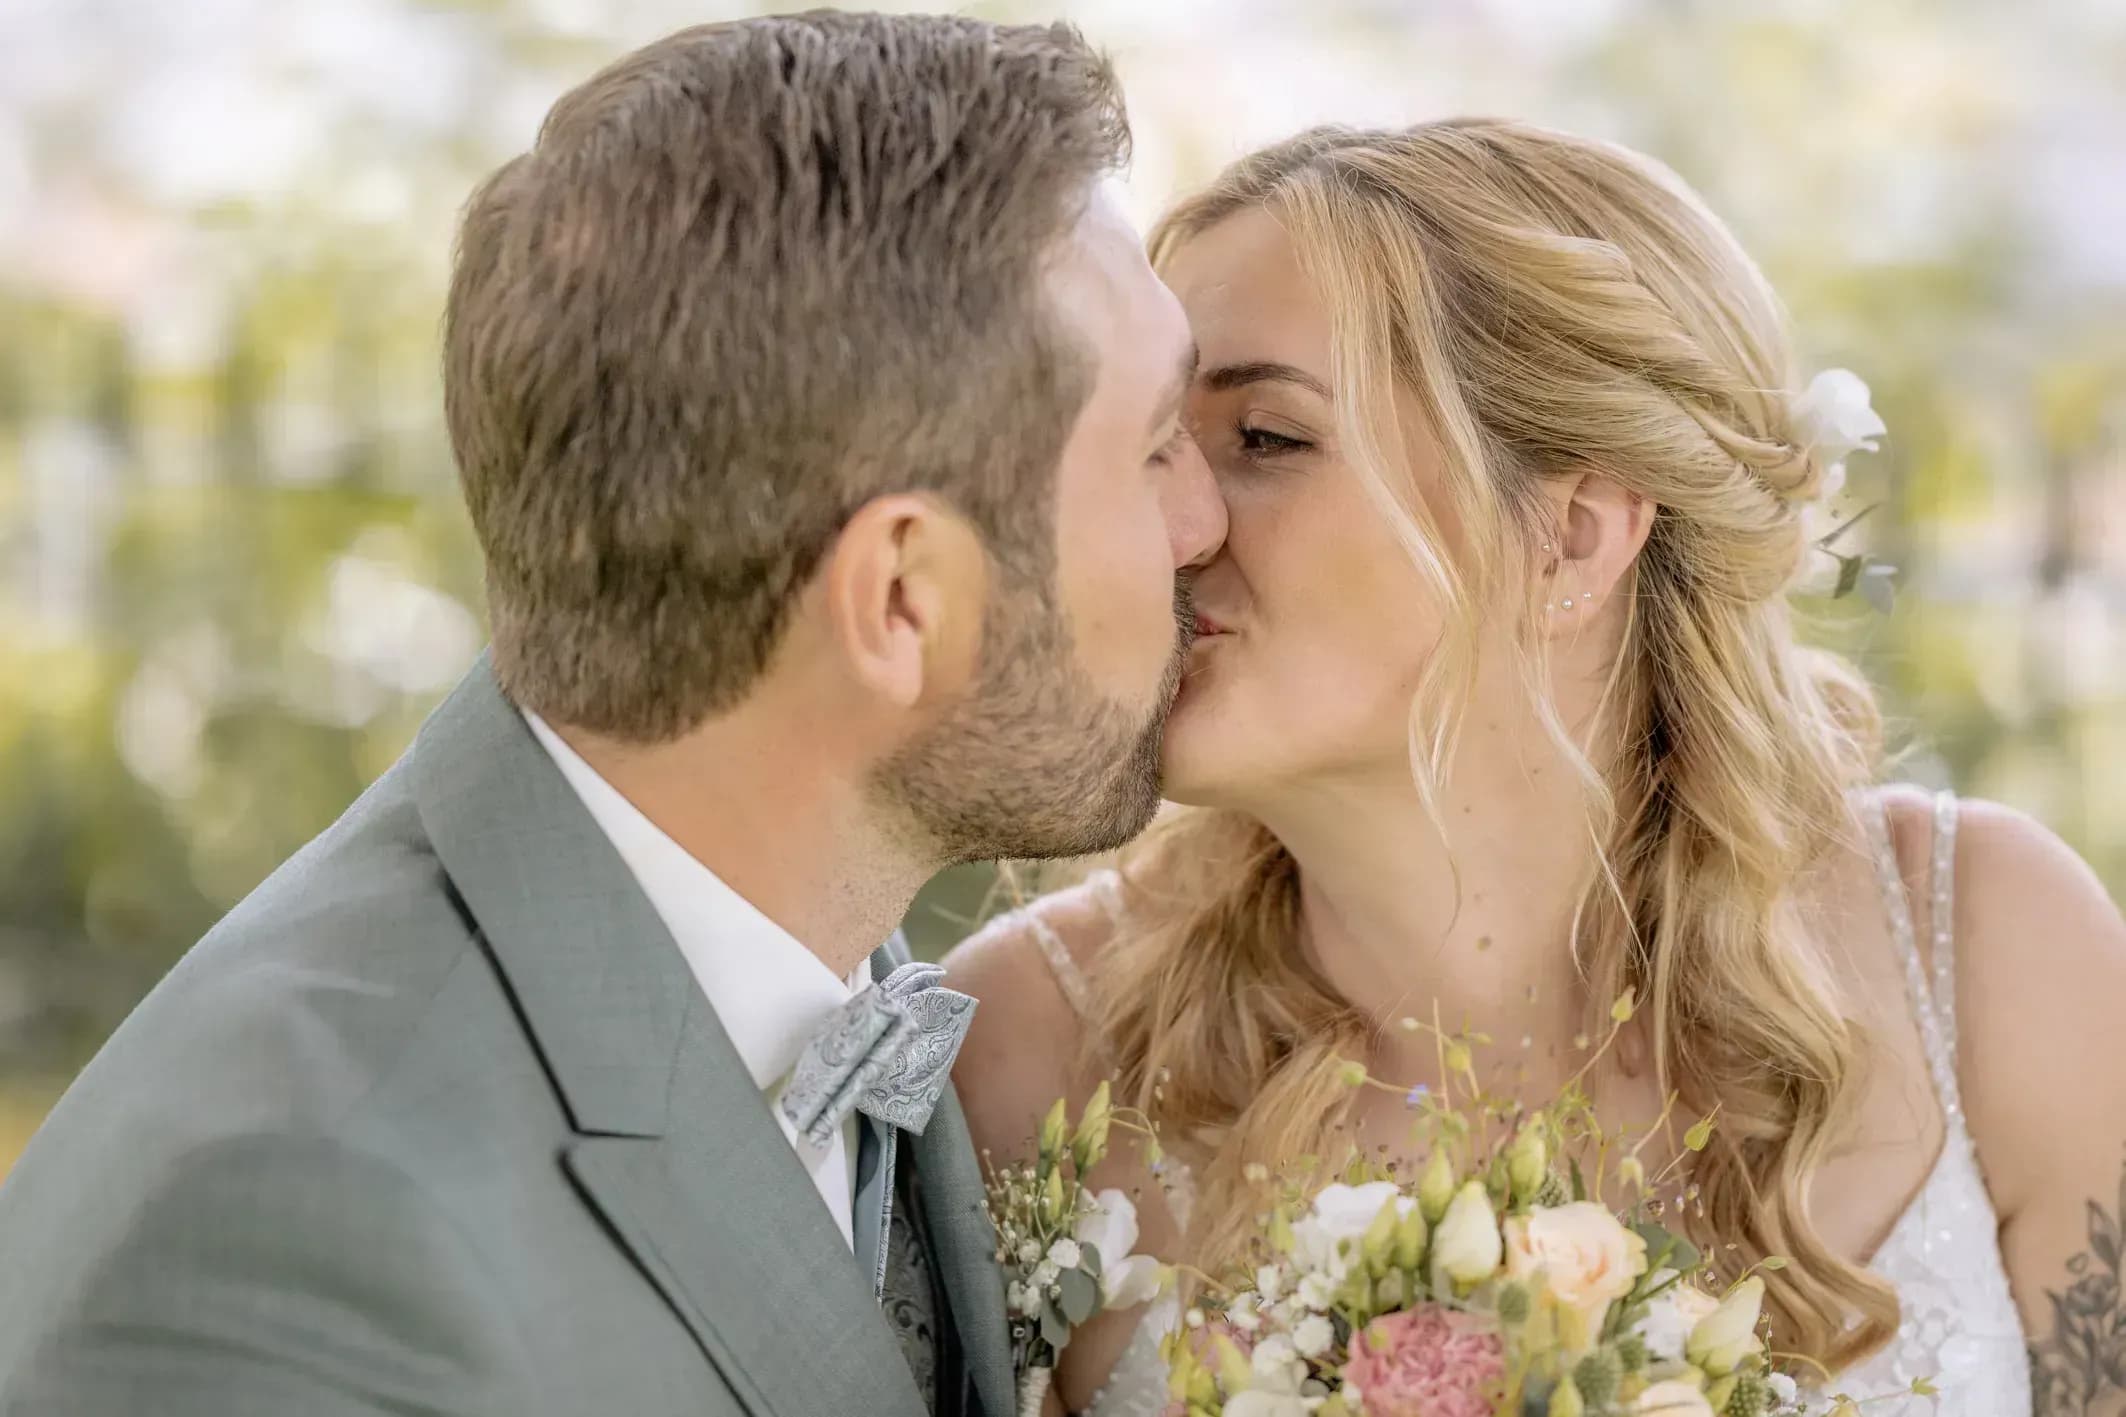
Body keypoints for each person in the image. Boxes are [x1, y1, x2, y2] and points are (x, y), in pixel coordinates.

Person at [0, 14, 1224, 1416]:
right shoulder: (291, 1266)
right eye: (1151, 448)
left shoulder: (813, 951)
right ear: (898, 599)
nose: (1202, 521)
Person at [948, 118, 2126, 1417]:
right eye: (1152, 447)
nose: (1169, 527)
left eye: (1265, 439)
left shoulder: (1986, 954)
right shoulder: (1020, 1052)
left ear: (1567, 533)